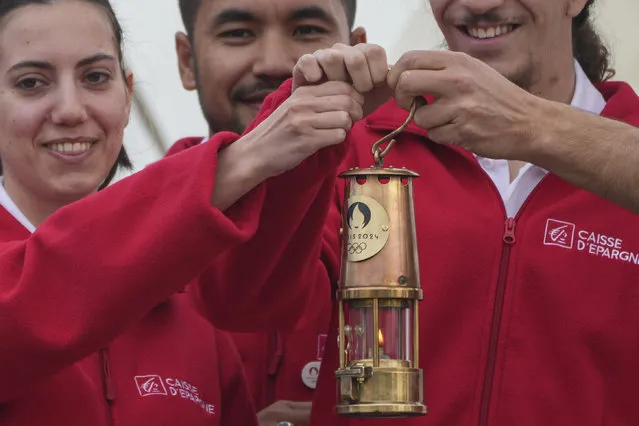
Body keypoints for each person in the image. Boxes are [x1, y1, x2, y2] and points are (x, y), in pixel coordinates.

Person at [176, 0, 639, 424]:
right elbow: (244, 303)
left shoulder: (624, 159)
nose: (479, 5)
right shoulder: (363, 139)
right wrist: (294, 120)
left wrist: (535, 127)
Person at [0, 0, 364, 424]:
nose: (70, 110)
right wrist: (239, 162)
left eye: (96, 77)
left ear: (128, 94)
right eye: (31, 83)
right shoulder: (179, 248)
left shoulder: (191, 296)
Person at [171, 0, 365, 424]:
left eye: (308, 29)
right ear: (187, 61)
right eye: (239, 33)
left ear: (357, 50)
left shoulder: (408, 224)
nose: (276, 64)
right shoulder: (124, 244)